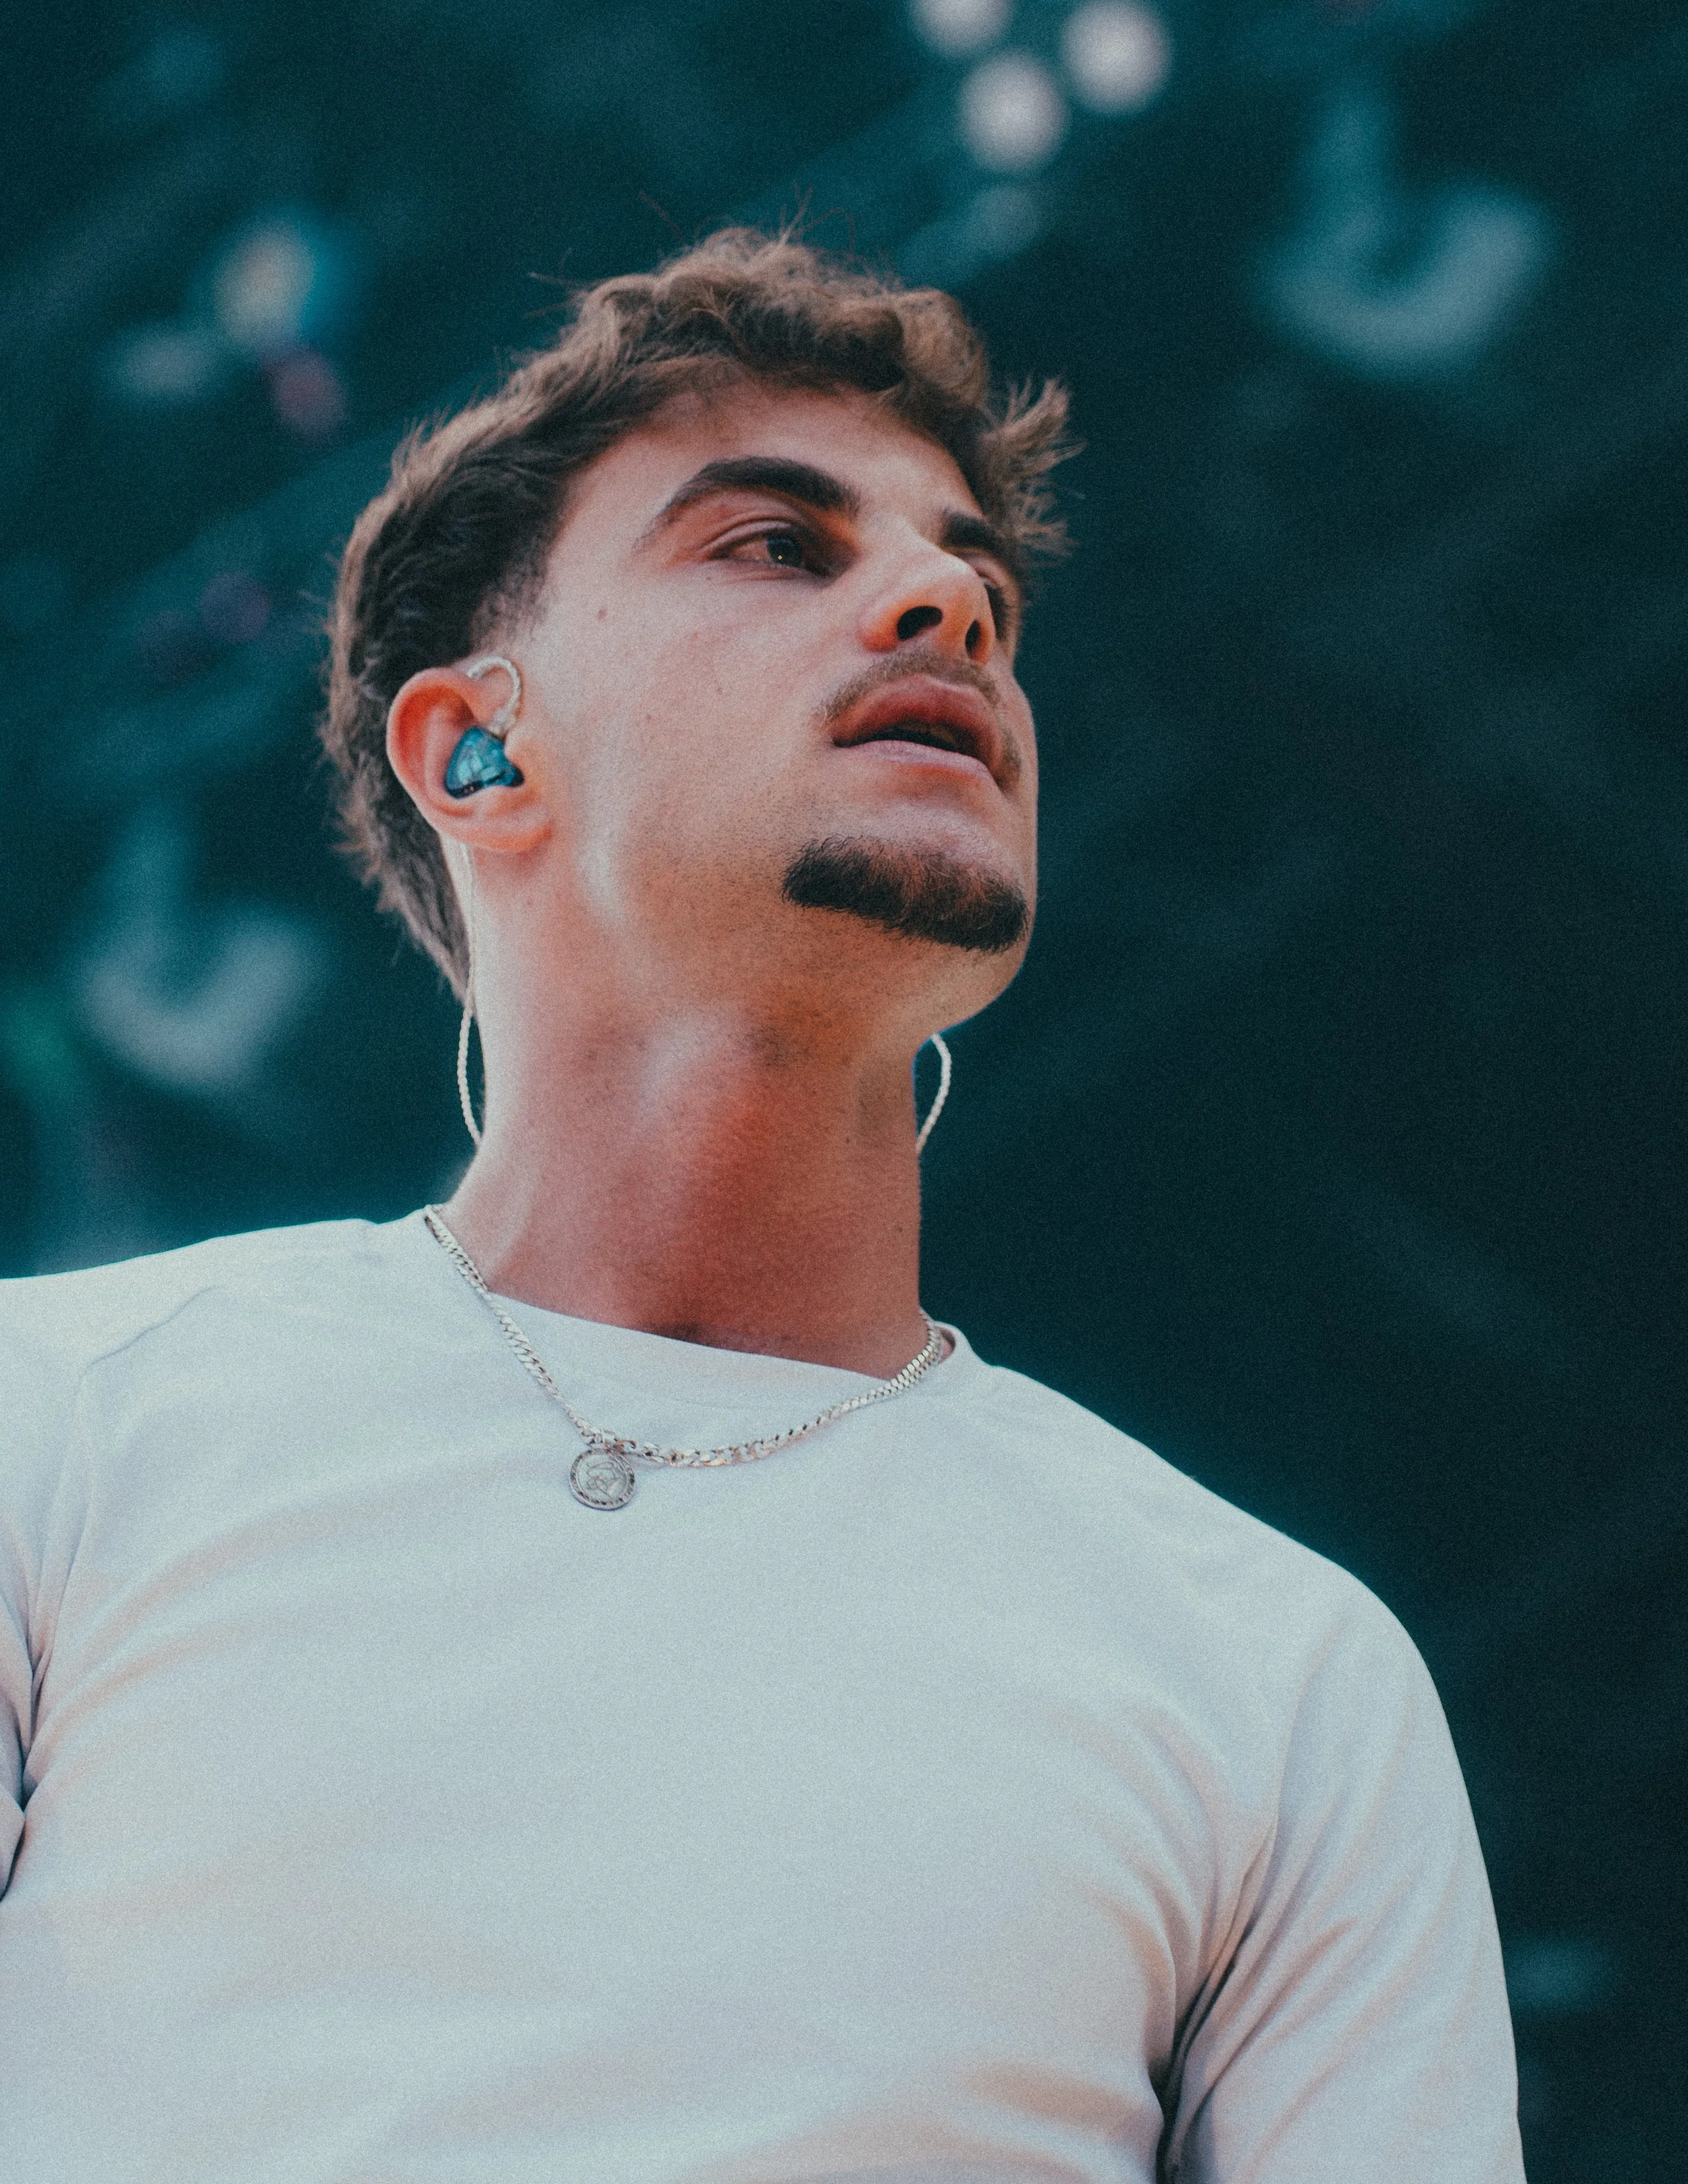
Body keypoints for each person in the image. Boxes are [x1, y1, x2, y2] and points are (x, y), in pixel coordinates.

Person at [0, 231, 1523, 2182]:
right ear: (478, 748)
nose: (942, 607)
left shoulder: (1279, 1676)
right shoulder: (66, 1430)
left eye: (978, 588)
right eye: (777, 545)